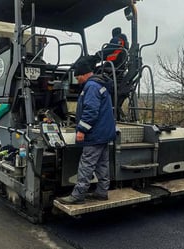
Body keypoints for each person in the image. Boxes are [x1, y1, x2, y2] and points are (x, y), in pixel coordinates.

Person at [57, 56, 116, 205]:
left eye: (78, 77)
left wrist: (82, 129)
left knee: (86, 164)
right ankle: (102, 192)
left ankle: (78, 195)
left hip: (95, 134)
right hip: (104, 133)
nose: (77, 80)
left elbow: (91, 111)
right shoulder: (99, 84)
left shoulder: (91, 87)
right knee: (102, 164)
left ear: (84, 74)